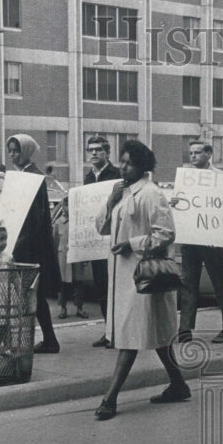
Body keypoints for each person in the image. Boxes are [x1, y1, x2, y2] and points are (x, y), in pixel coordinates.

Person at [93, 141, 188, 419]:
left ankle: (110, 399)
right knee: (153, 334)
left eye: (128, 163)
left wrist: (131, 244)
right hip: (124, 276)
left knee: (130, 336)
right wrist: (110, 201)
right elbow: (101, 227)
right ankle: (179, 385)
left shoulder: (151, 194)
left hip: (143, 276)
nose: (123, 167)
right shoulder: (122, 193)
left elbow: (166, 233)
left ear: (142, 166)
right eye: (121, 162)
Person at [172, 140, 223, 344]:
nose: (193, 156)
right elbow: (181, 205)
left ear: (208, 154)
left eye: (197, 152)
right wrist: (175, 202)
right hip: (191, 237)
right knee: (188, 283)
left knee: (219, 281)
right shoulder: (185, 178)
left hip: (211, 238)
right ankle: (185, 328)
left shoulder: (221, 178)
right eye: (191, 153)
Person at [6, 134, 61, 354]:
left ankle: (42, 340)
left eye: (16, 151)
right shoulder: (22, 175)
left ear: (26, 152)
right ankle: (48, 339)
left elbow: (36, 216)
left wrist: (19, 242)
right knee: (31, 295)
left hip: (30, 244)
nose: (12, 155)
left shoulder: (32, 176)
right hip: (23, 241)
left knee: (30, 294)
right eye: (10, 150)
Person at [83, 135, 123, 348]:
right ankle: (108, 331)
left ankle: (118, 332)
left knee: (114, 287)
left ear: (107, 152)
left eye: (98, 149)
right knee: (101, 287)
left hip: (114, 239)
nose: (94, 153)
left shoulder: (116, 175)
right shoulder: (88, 177)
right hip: (95, 241)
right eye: (90, 150)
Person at [53, 196, 88, 319]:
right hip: (63, 257)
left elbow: (84, 238)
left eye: (70, 205)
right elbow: (55, 241)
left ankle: (79, 308)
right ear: (62, 207)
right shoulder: (58, 223)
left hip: (76, 255)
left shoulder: (79, 221)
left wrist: (85, 257)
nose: (68, 208)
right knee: (63, 284)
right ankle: (63, 308)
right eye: (66, 205)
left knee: (79, 282)